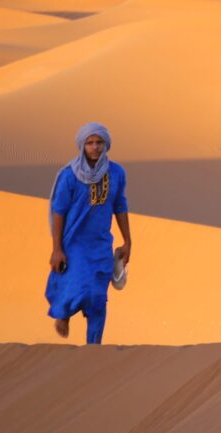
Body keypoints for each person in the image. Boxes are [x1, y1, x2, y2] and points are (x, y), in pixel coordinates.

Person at [46, 122, 131, 344]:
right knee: (80, 285)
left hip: (101, 243)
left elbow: (120, 206)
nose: (94, 147)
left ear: (106, 145)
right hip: (75, 243)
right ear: (82, 146)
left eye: (99, 142)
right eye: (90, 143)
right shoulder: (70, 176)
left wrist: (128, 241)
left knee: (99, 298)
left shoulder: (116, 173)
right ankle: (64, 313)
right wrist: (57, 248)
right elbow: (59, 211)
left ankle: (94, 348)